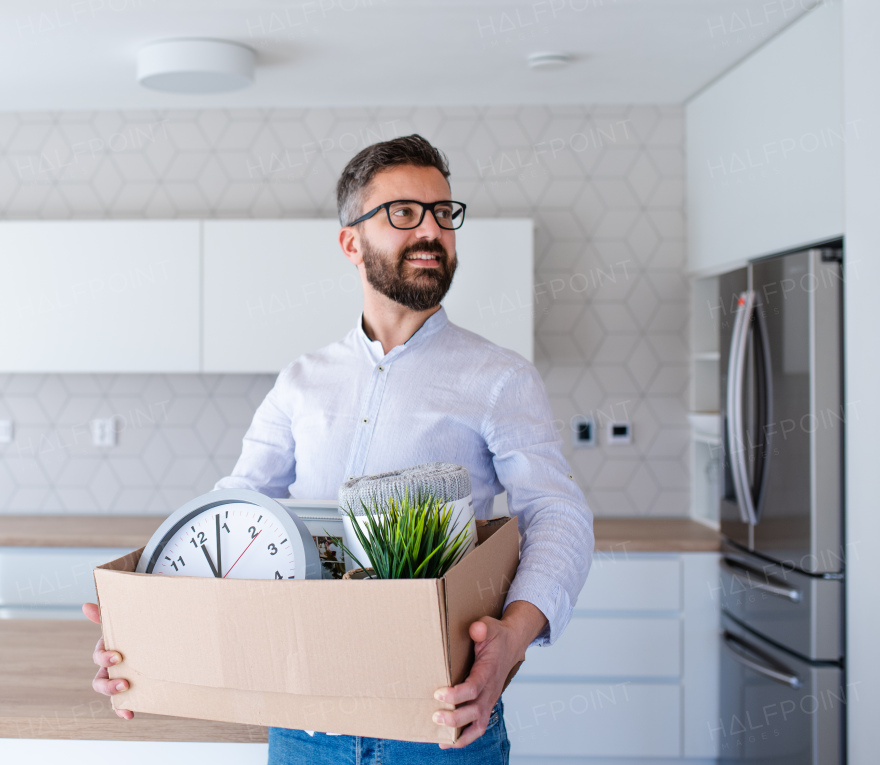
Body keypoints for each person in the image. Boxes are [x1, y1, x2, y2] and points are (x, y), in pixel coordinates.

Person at [84, 134, 594, 763]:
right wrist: (150, 626)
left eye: (442, 212)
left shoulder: (498, 377)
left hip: (439, 727)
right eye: (404, 213)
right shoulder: (301, 381)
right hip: (303, 728)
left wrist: (511, 640)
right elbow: (234, 511)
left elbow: (556, 510)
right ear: (351, 242)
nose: (431, 230)